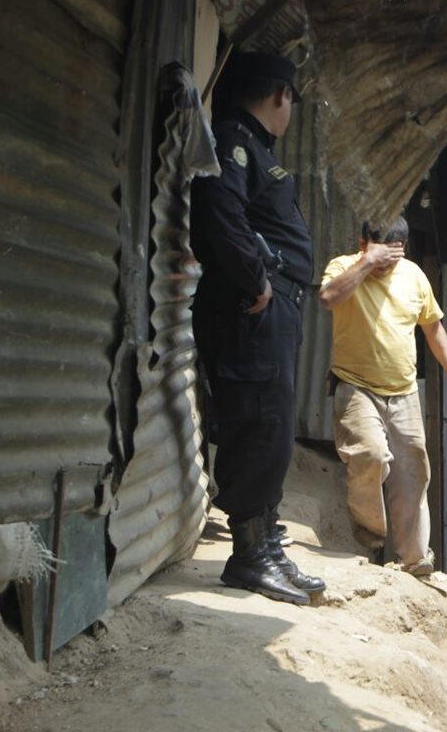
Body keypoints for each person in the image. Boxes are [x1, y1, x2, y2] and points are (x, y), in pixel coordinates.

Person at [190, 51, 324, 605]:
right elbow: (219, 211)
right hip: (251, 308)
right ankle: (248, 555)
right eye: (292, 98)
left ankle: (266, 542)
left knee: (271, 426)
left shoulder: (253, 147)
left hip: (271, 310)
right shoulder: (231, 140)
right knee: (257, 421)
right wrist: (256, 281)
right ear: (280, 96)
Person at [319, 217, 447, 577]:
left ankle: (415, 559)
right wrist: (367, 262)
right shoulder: (344, 266)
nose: (389, 265)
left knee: (413, 472)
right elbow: (328, 298)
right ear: (362, 242)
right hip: (355, 386)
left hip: (403, 391)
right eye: (383, 256)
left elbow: (432, 326)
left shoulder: (413, 275)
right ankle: (370, 528)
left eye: (395, 257)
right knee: (370, 456)